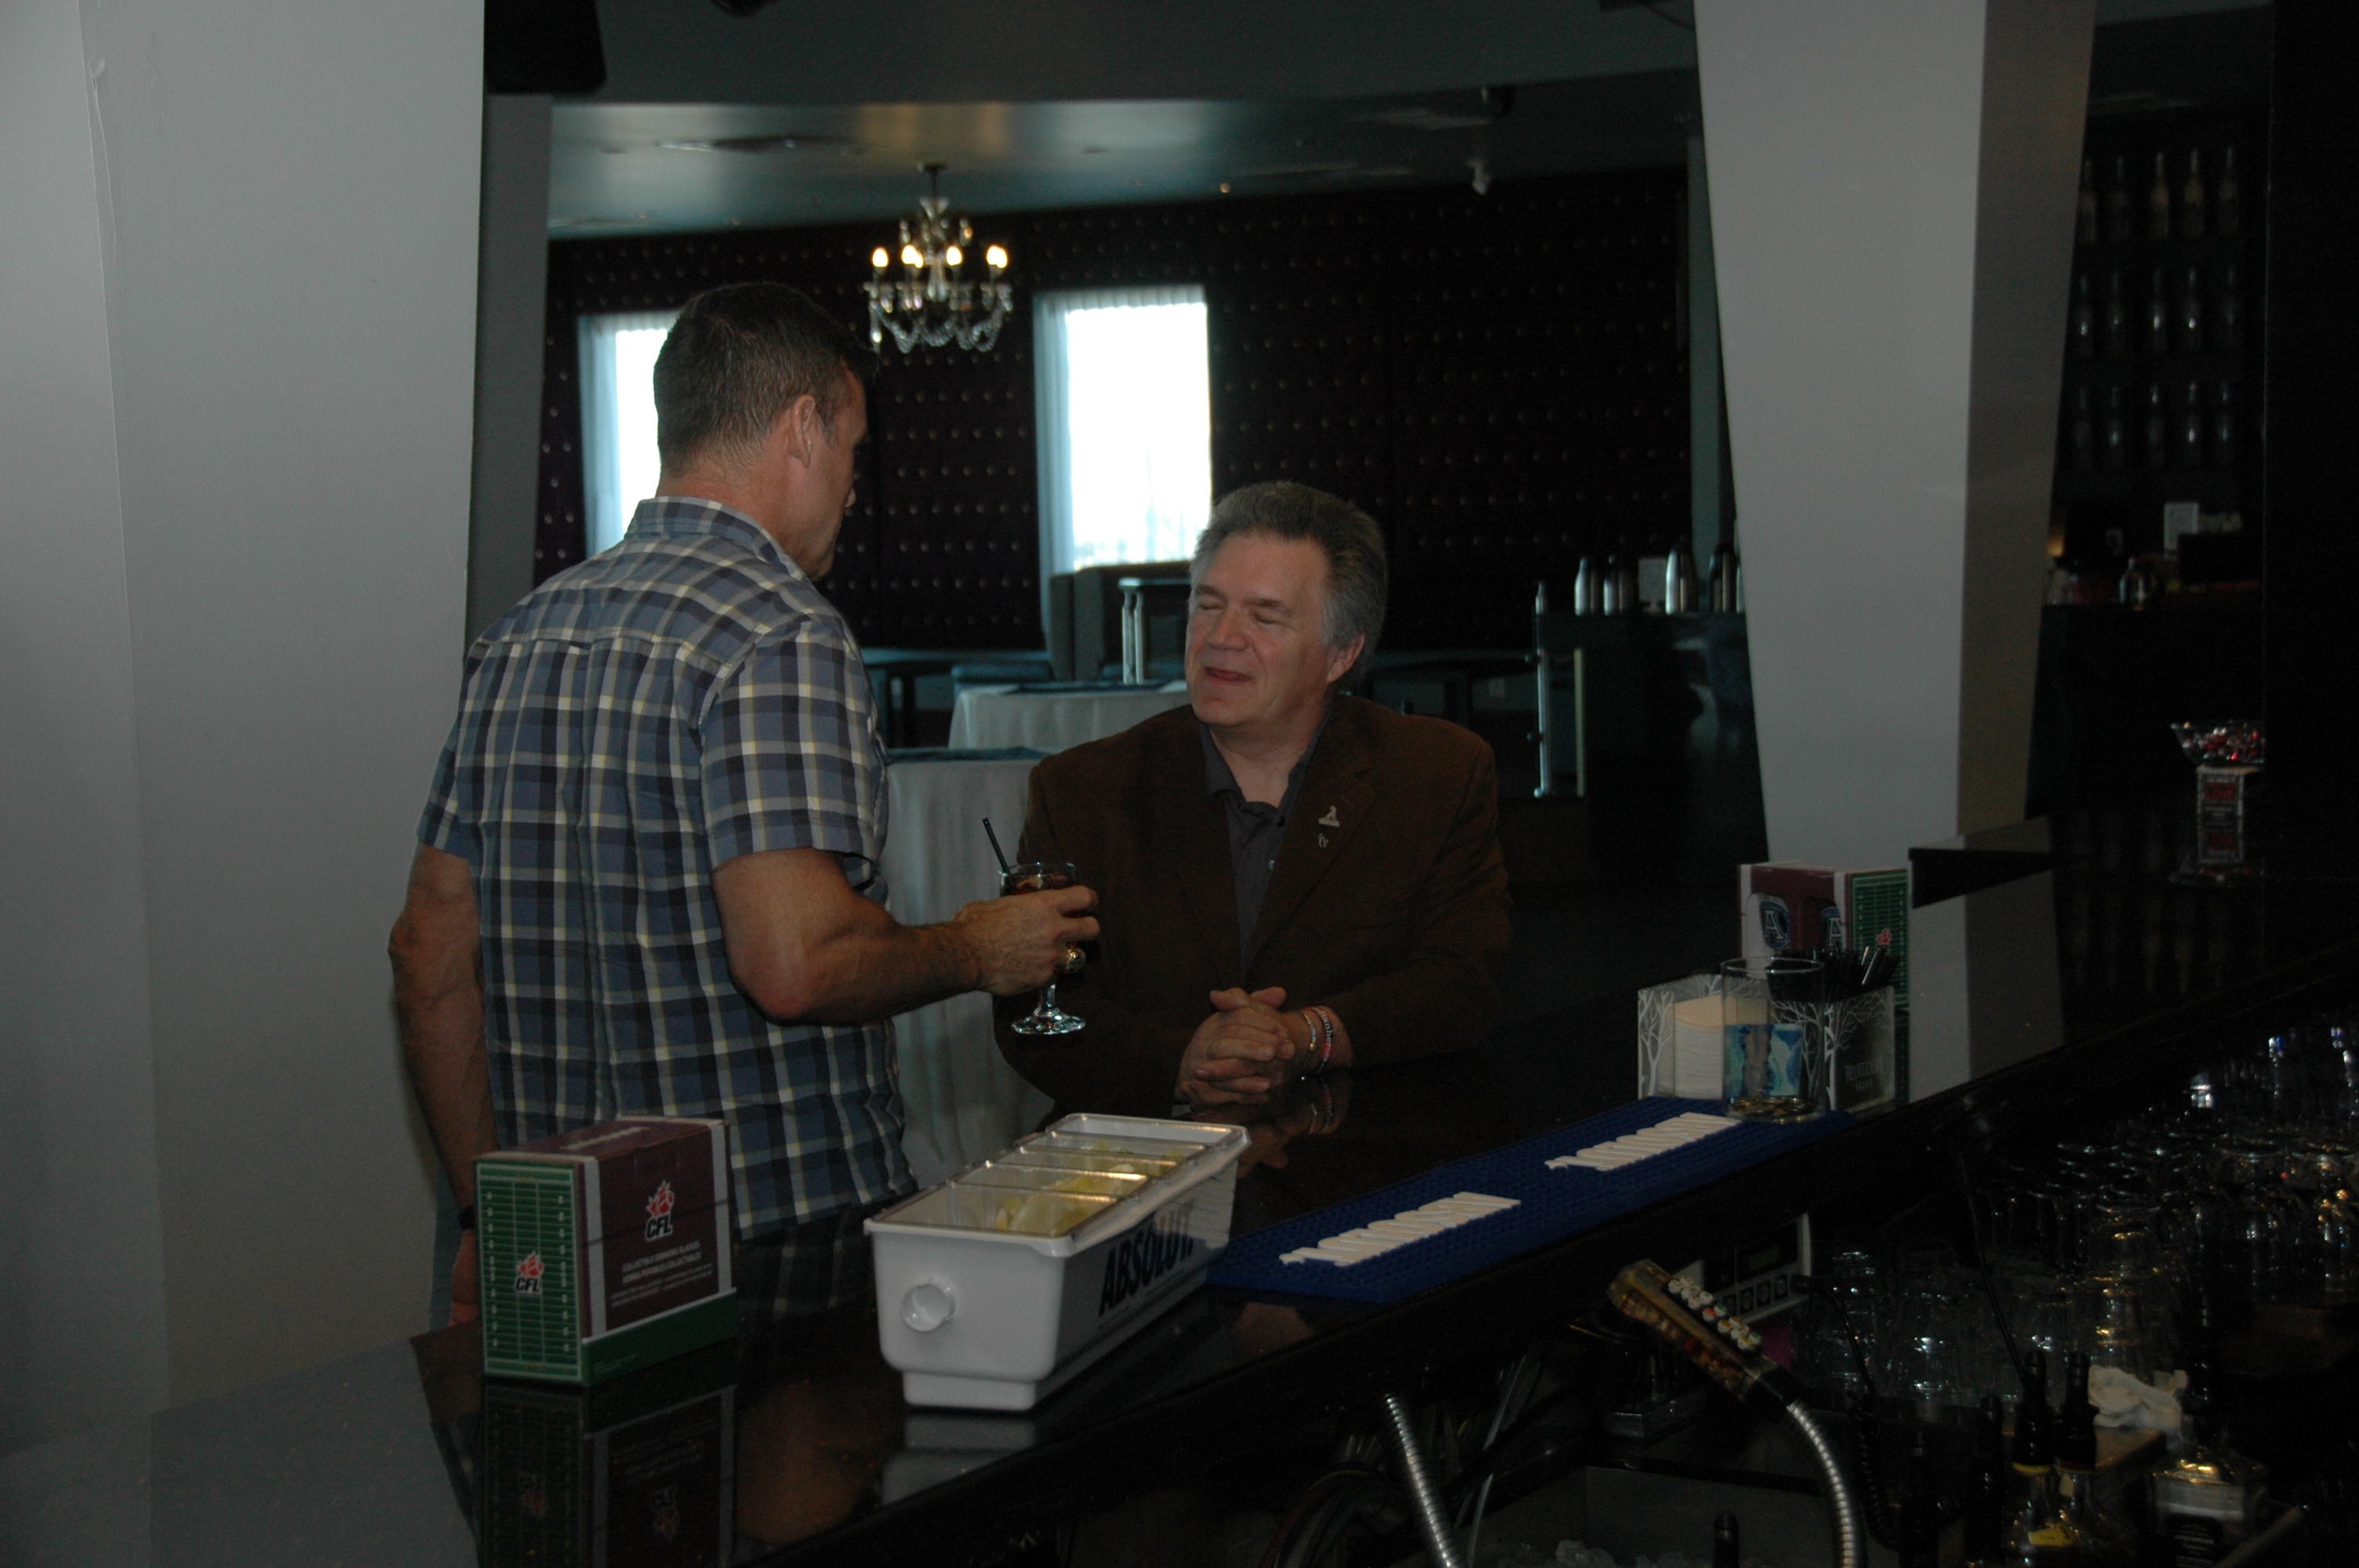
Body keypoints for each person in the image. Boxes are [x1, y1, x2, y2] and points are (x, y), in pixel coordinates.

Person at [391, 283, 1096, 1321]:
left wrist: (485, 1218)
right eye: (852, 447)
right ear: (802, 426)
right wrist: (976, 949)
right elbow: (795, 964)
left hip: (557, 1243)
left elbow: (427, 952)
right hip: (768, 1245)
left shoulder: (517, 637)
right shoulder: (779, 632)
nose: (853, 487)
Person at [996, 481, 1510, 1116]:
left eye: (1264, 617)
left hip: (1359, 1146)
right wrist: (1181, 1060)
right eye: (1208, 605)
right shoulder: (1082, 789)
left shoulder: (1435, 775)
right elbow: (1034, 1011)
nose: (1221, 637)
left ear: (1342, 653)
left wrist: (1308, 1037)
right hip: (1139, 1152)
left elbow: (1463, 983)